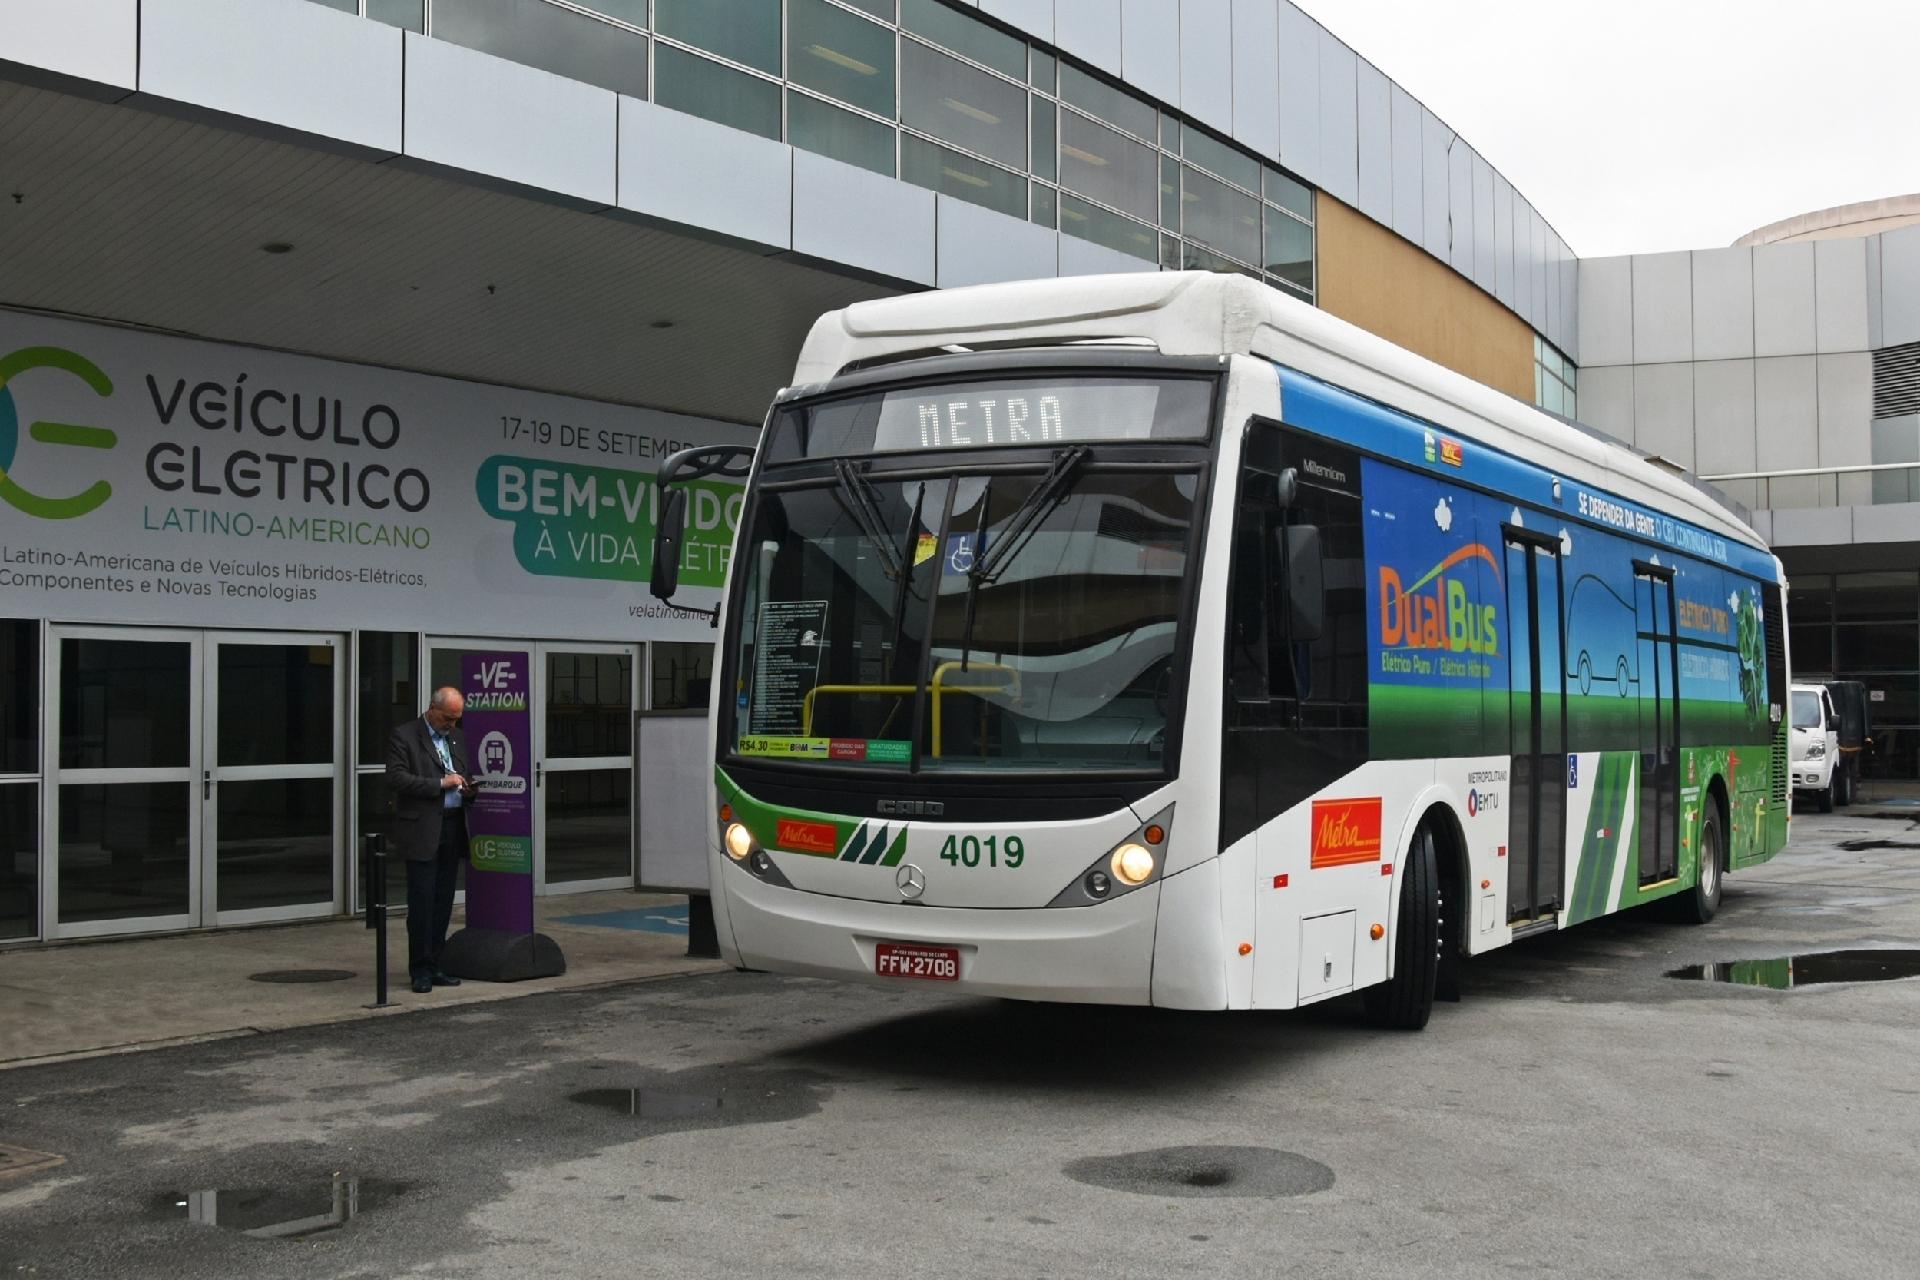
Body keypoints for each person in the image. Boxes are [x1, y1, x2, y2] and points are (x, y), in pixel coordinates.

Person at [387, 687, 476, 994]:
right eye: (448, 718)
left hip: (452, 826)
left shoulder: (458, 738)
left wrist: (468, 789)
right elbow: (396, 778)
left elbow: (464, 773)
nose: (452, 724)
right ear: (432, 710)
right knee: (422, 901)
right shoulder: (405, 736)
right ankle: (419, 968)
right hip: (422, 829)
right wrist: (440, 784)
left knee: (443, 901)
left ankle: (436, 963)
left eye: (456, 718)